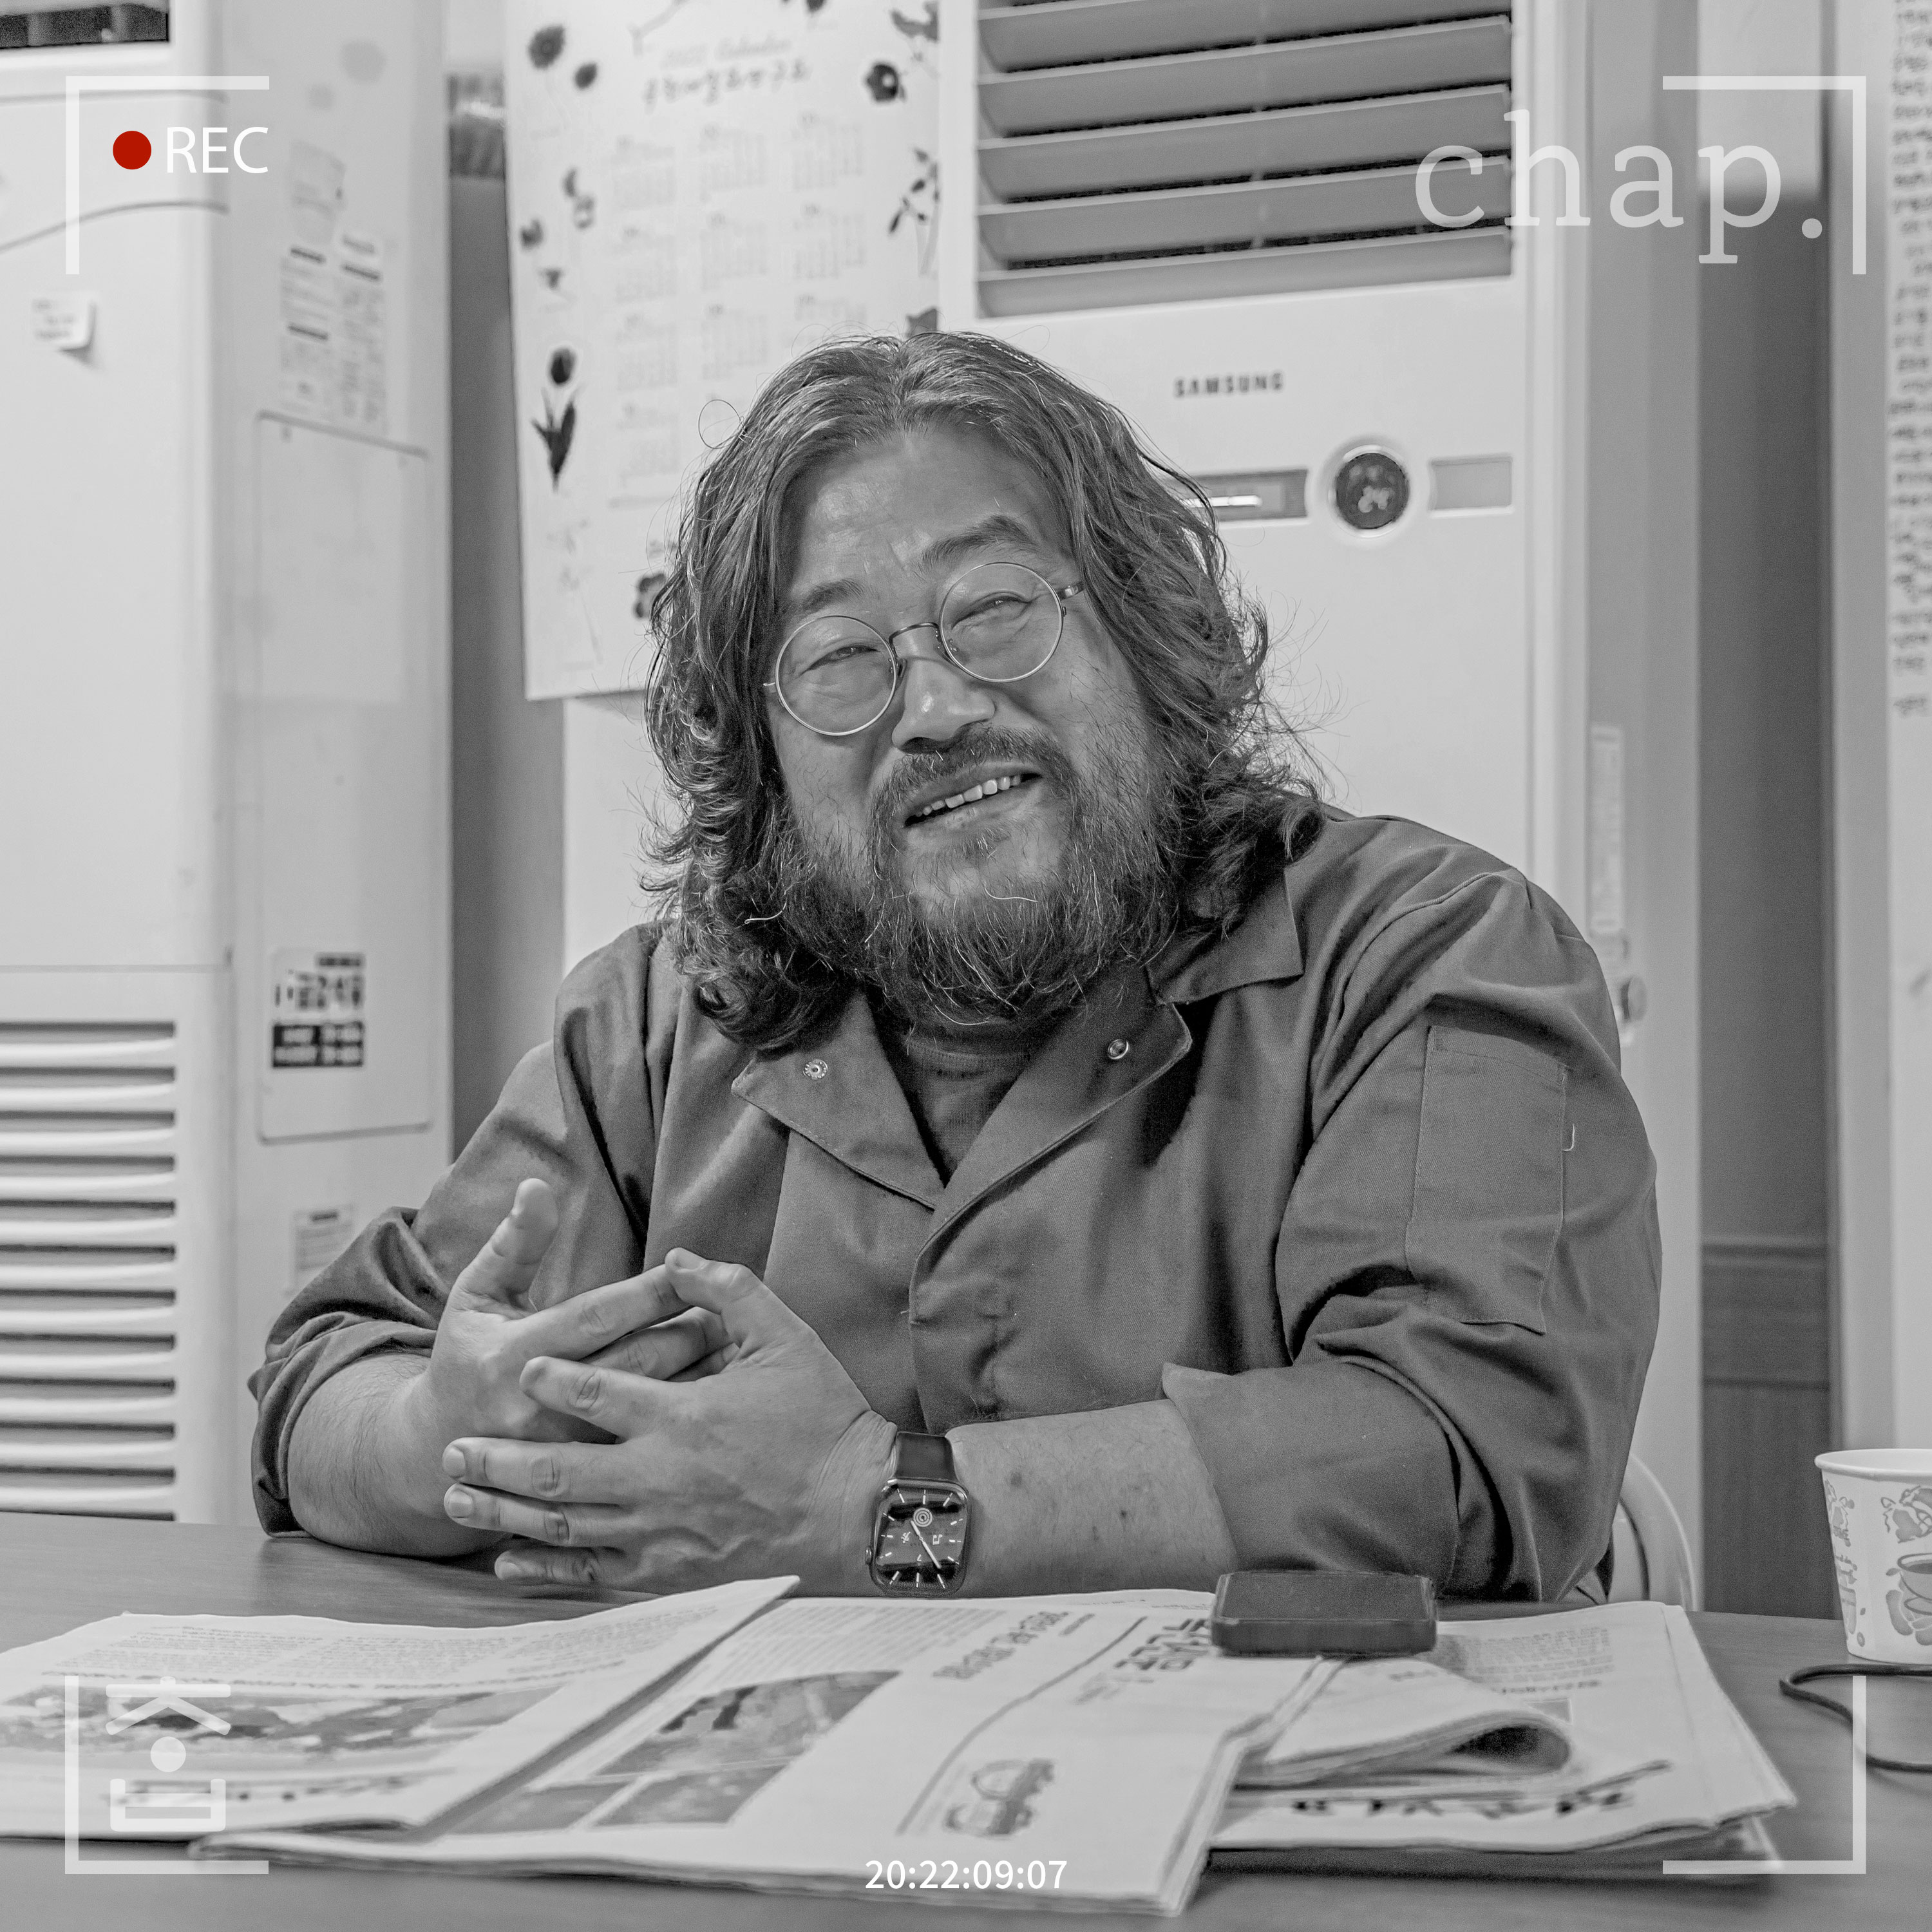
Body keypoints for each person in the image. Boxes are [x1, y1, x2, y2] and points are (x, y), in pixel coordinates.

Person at [253, 332, 1659, 1602]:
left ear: (1145, 634)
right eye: (838, 658)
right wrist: (446, 1434)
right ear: (765, 762)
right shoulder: (657, 1025)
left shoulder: (1425, 955)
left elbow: (1467, 1449)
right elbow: (323, 1383)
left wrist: (874, 1509)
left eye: (994, 607)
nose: (932, 707)